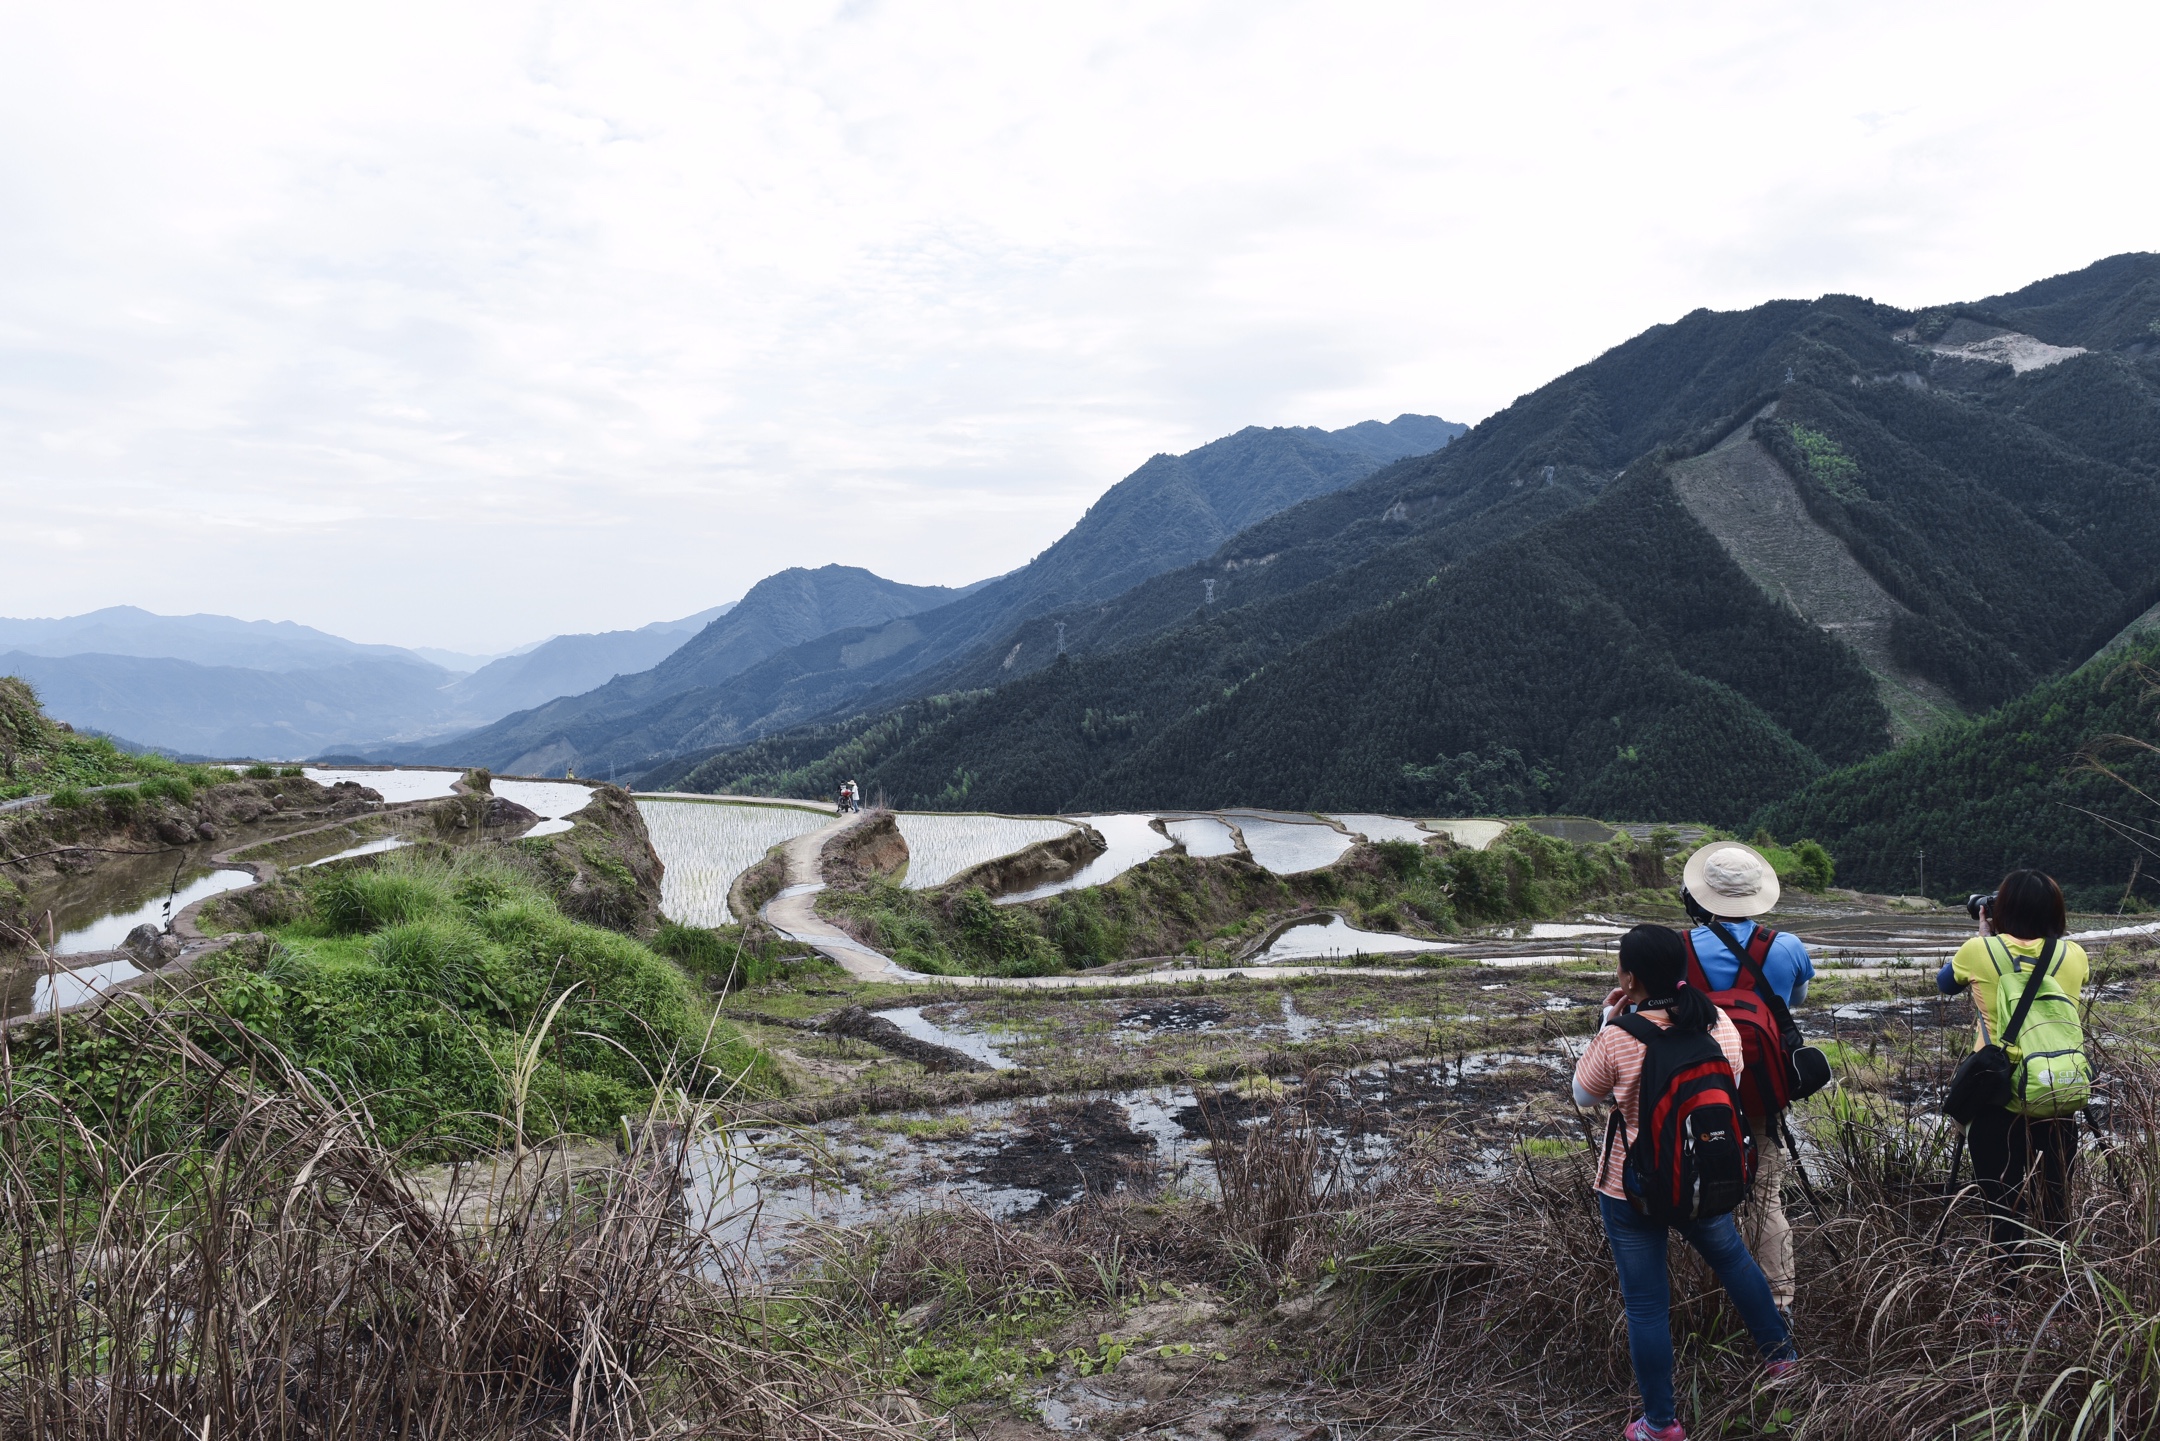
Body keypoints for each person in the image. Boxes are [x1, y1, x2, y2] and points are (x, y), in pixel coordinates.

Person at [1574, 924, 1798, 1441]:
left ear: (1627, 977)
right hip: (1703, 1178)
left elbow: (1584, 1096)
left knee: (1647, 1305)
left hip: (1630, 1188)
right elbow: (1733, 1085)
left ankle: (1661, 1423)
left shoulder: (1619, 1035)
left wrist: (1606, 1021)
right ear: (1681, 968)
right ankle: (1783, 1361)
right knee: (1737, 1263)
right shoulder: (1717, 1022)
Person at [1679, 840, 1816, 1323]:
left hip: (1700, 1090)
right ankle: (1778, 1302)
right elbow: (1794, 1000)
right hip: (1762, 1085)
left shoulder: (1680, 948)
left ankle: (1707, 1294)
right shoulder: (1787, 946)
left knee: (1696, 1190)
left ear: (1699, 895)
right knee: (1765, 1193)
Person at [1937, 869, 2088, 1278]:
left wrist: (1985, 938)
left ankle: (2007, 1296)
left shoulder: (1977, 950)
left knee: (2001, 1205)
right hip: (2054, 1089)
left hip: (1996, 1095)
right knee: (2057, 1202)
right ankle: (2062, 1285)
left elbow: (1945, 984)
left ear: (2000, 908)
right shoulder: (2074, 955)